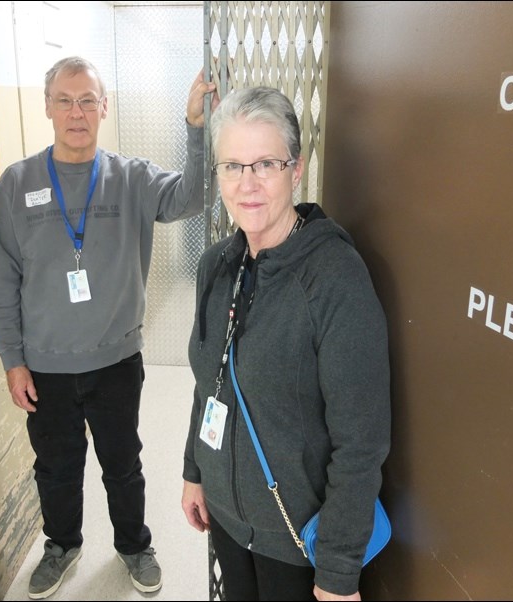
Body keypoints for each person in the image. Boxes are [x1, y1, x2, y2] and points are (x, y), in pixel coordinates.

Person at [0, 56, 218, 600]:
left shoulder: (131, 178)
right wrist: (12, 360)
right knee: (56, 467)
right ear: (47, 107)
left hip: (116, 361)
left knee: (123, 463)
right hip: (46, 366)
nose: (76, 112)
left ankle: (134, 545)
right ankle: (62, 545)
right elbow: (0, 281)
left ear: (104, 107)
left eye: (88, 100)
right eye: (65, 100)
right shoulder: (17, 186)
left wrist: (197, 130)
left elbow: (193, 196)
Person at [181, 86, 391, 601]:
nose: (247, 184)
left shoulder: (335, 279)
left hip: (296, 542)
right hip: (227, 521)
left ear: (295, 170)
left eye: (265, 164)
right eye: (232, 166)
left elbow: (361, 442)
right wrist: (194, 471)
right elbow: (209, 381)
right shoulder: (217, 265)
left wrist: (338, 573)